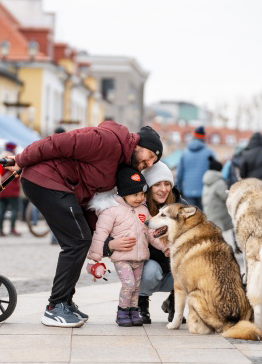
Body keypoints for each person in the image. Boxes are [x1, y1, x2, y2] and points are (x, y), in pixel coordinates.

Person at [5, 123, 163, 328]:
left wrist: (104, 243)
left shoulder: (118, 164)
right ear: (138, 144)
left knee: (81, 238)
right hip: (46, 179)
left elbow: (90, 203)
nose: (149, 163)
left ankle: (66, 302)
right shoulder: (107, 141)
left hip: (62, 188)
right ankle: (55, 307)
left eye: (153, 161)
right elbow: (56, 143)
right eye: (150, 156)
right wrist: (20, 160)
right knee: (77, 241)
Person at [105, 161, 187, 324]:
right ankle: (140, 304)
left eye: (167, 184)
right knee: (149, 270)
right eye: (157, 184)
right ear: (147, 187)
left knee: (191, 266)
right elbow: (104, 230)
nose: (163, 189)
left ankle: (174, 303)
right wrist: (109, 244)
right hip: (147, 268)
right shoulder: (136, 208)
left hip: (173, 270)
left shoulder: (181, 208)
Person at [87, 167, 168, 327]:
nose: (140, 198)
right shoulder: (111, 211)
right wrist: (96, 253)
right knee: (129, 284)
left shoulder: (143, 210)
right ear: (124, 193)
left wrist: (164, 247)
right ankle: (122, 311)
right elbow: (100, 232)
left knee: (136, 287)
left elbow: (151, 234)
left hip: (139, 258)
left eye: (142, 194)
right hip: (122, 258)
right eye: (135, 194)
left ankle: (133, 311)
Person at [202, 156, 237, 251]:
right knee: (222, 233)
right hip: (219, 213)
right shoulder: (218, 182)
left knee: (214, 233)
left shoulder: (207, 181)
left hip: (211, 211)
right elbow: (225, 196)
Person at [176, 126, 215, 209]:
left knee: (191, 217)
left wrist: (178, 189)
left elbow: (179, 174)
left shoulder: (185, 153)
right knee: (203, 218)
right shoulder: (209, 153)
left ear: (194, 137)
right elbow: (215, 172)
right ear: (204, 138)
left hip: (188, 191)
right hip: (204, 191)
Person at [0, 142, 21, 236]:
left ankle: (0, 230)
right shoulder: (11, 159)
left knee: (2, 210)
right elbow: (16, 173)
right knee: (15, 209)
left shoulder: (2, 159)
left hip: (2, 189)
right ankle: (12, 229)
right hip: (11, 189)